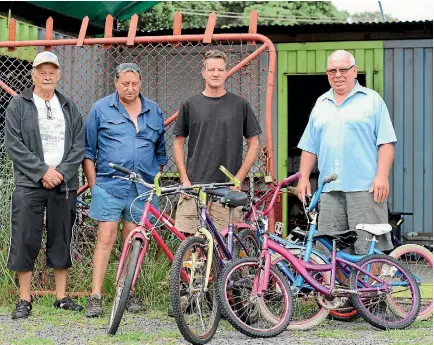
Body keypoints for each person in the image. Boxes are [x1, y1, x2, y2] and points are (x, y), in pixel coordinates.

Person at [83, 63, 168, 317]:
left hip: (141, 188)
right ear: (116, 82)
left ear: (140, 83)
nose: (130, 89)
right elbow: (88, 152)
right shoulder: (100, 109)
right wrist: (94, 185)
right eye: (125, 84)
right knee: (105, 238)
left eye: (135, 84)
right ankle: (95, 295)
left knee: (133, 242)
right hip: (109, 185)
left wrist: (153, 182)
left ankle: (126, 292)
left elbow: (160, 153)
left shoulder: (154, 111)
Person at [5, 51, 85, 319]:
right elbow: (13, 145)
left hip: (63, 184)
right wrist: (42, 171)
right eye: (42, 71)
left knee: (61, 236)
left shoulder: (69, 106)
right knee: (25, 237)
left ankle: (61, 297)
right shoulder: (18, 105)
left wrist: (60, 173)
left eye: (52, 71)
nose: (47, 75)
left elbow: (78, 146)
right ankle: (24, 299)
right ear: (33, 74)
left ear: (59, 74)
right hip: (30, 184)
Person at [297, 49, 397, 254]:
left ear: (355, 71)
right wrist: (304, 177)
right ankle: (343, 288)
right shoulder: (321, 104)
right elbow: (309, 146)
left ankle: (371, 287)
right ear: (327, 73)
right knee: (330, 250)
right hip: (329, 191)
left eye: (343, 69)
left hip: (366, 188)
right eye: (332, 70)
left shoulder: (372, 100)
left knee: (369, 247)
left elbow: (386, 143)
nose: (338, 75)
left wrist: (382, 176)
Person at [173, 49, 262, 234]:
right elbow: (178, 143)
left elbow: (254, 143)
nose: (216, 74)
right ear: (203, 72)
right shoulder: (190, 104)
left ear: (226, 72)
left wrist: (238, 178)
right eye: (211, 69)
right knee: (189, 244)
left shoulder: (240, 104)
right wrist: (184, 180)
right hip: (195, 187)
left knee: (225, 248)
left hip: (227, 188)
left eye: (220, 70)